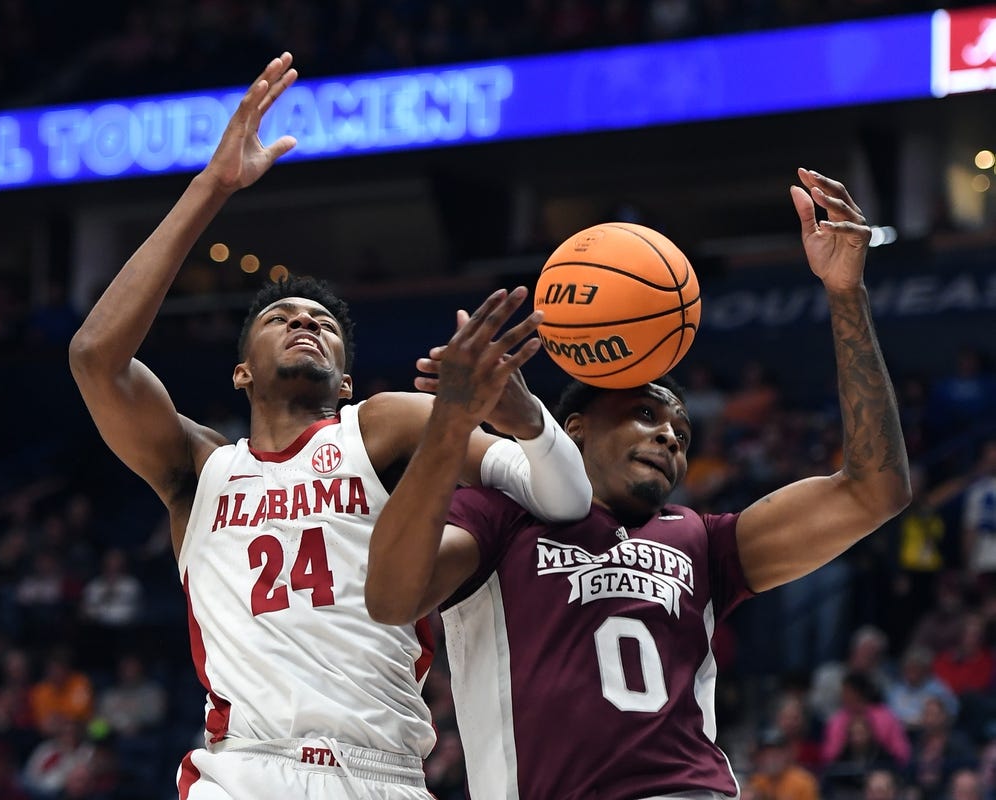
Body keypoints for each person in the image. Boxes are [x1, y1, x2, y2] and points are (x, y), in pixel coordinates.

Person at [67, 52, 591, 800]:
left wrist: (523, 418)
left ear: (346, 378)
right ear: (242, 370)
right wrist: (212, 186)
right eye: (280, 318)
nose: (304, 324)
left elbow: (562, 496)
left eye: (323, 323)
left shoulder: (379, 426)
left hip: (379, 770)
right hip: (241, 767)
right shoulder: (198, 472)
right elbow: (94, 357)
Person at [365, 168, 912, 799]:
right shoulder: (501, 512)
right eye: (645, 415)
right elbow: (393, 599)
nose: (670, 437)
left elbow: (875, 489)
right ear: (573, 429)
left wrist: (847, 294)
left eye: (681, 431)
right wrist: (452, 424)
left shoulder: (705, 541)